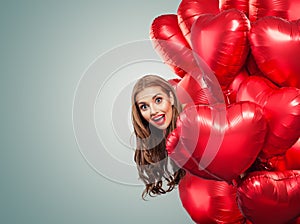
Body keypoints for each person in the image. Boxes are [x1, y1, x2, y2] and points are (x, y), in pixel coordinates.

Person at [131, 74, 186, 199]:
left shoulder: (192, 121)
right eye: (144, 107)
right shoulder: (165, 135)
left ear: (171, 98)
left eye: (158, 100)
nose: (153, 111)